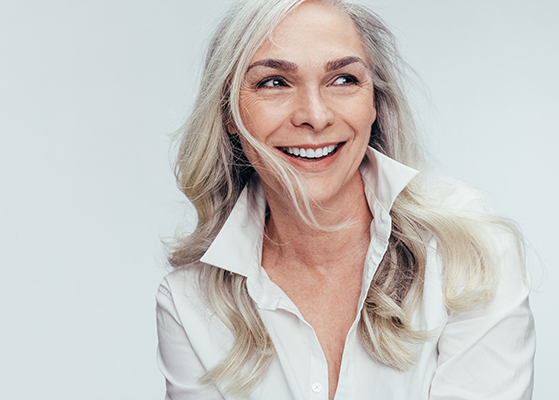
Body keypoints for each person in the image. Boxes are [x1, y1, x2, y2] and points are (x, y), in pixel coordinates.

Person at [155, 0, 536, 399]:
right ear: (229, 113)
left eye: (343, 79)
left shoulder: (470, 249)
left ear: (375, 104)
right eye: (274, 82)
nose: (315, 116)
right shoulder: (188, 302)